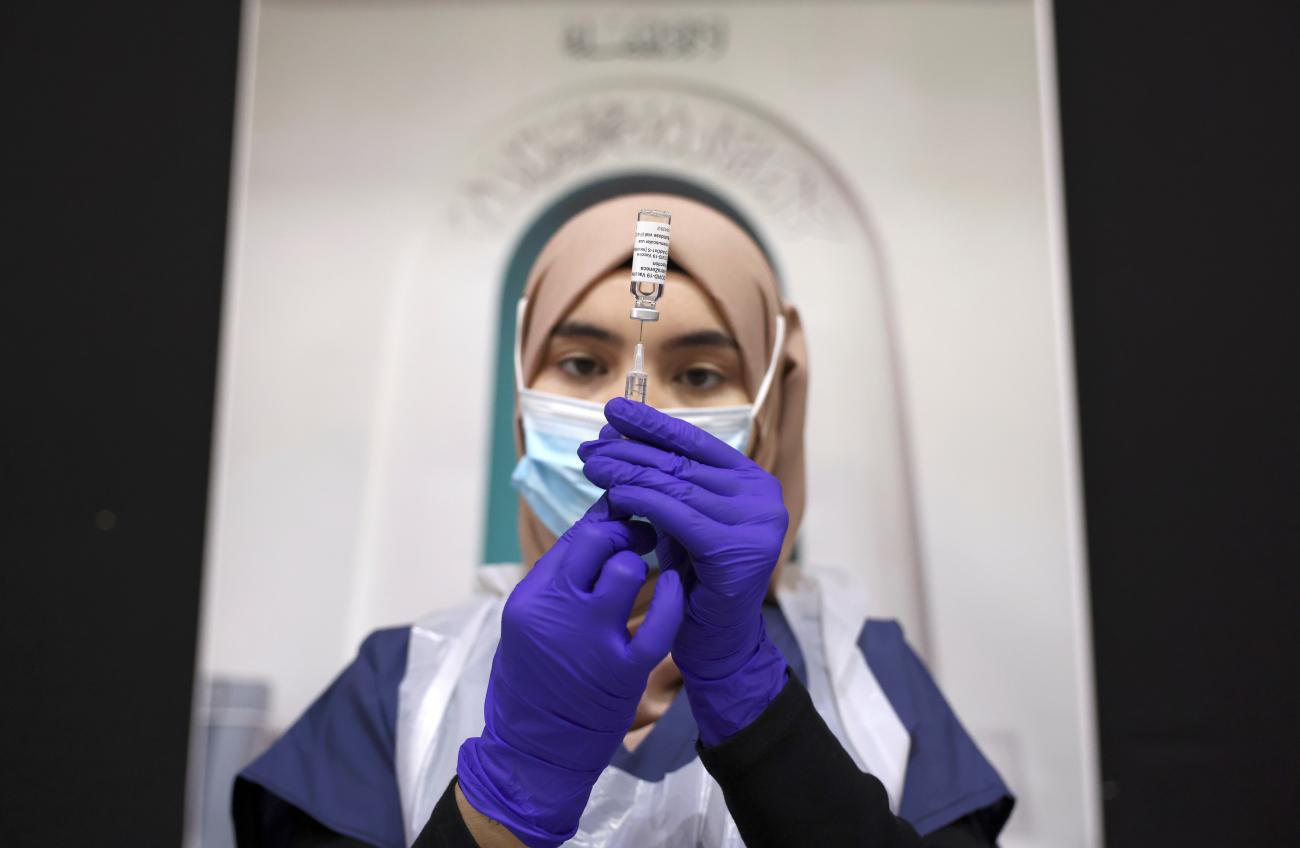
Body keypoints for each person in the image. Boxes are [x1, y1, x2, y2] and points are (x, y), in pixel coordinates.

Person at [233, 194, 1014, 847]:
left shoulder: (864, 672)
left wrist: (754, 704)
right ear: (520, 390)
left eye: (701, 374)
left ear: (770, 413)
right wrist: (511, 781)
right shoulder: (404, 680)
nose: (635, 413)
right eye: (579, 365)